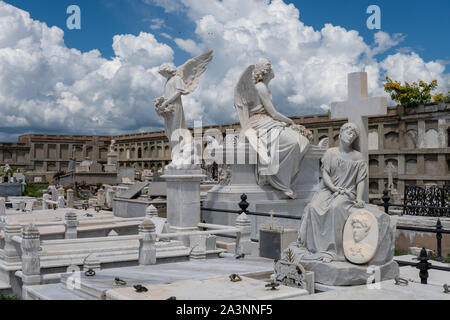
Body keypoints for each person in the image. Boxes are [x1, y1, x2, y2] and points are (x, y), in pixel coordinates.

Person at [235, 59, 310, 198]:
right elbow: (273, 113)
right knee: (293, 143)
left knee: (302, 141)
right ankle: (279, 182)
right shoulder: (260, 87)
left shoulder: (264, 87)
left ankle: (283, 180)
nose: (272, 70)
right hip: (260, 123)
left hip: (268, 122)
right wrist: (290, 121)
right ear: (265, 71)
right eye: (270, 67)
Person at [297, 122, 367, 262]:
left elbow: (360, 180)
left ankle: (333, 250)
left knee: (335, 208)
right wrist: (333, 188)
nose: (351, 136)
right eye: (348, 132)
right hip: (328, 189)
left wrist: (359, 198)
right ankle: (314, 248)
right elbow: (325, 174)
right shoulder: (330, 152)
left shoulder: (358, 157)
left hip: (347, 192)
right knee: (312, 207)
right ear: (340, 134)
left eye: (354, 134)